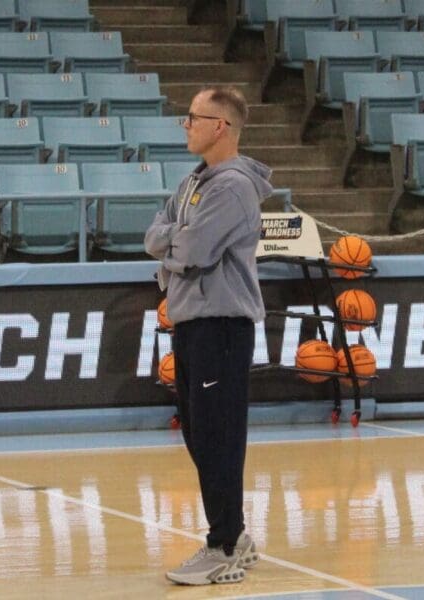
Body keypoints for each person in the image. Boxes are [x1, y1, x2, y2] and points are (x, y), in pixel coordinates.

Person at [144, 85, 273, 586]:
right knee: (200, 434)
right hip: (192, 321)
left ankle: (225, 543)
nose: (186, 125)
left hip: (221, 325)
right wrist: (174, 241)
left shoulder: (233, 187)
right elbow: (155, 232)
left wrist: (172, 244)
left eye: (193, 117)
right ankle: (230, 536)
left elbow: (192, 248)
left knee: (218, 437)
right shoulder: (194, 182)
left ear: (220, 126)